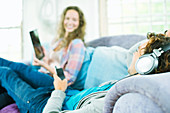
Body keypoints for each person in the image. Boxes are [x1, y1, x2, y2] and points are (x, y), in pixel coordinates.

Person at [0, 31, 169, 113]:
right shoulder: (125, 83)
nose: (132, 54)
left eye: (138, 52)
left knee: (5, 73)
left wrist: (59, 91)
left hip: (45, 103)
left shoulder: (105, 104)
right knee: (21, 68)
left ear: (146, 65)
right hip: (65, 91)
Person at [0, 6, 86, 109]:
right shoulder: (58, 41)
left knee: (18, 68)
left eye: (74, 19)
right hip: (44, 75)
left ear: (80, 23)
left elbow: (68, 77)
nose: (70, 22)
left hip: (54, 82)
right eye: (67, 18)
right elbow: (48, 64)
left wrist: (44, 65)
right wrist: (41, 60)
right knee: (7, 86)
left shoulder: (77, 44)